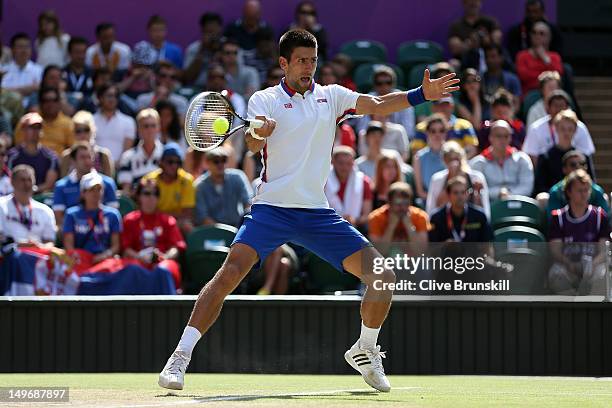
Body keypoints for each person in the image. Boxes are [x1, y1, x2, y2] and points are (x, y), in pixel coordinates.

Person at [158, 28, 459, 393]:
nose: (308, 67)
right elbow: (252, 143)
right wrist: (262, 132)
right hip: (271, 208)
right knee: (229, 274)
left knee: (383, 278)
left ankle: (365, 349)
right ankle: (180, 357)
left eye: (313, 60)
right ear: (283, 63)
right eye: (301, 60)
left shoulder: (332, 97)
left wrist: (419, 95)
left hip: (317, 213)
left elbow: (378, 106)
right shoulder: (263, 100)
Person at [548, 170, 609, 295]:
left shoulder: (599, 216)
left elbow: (604, 250)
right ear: (569, 192)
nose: (584, 194)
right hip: (568, 267)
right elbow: (555, 251)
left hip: (593, 266)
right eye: (580, 190)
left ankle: (595, 310)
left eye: (587, 190)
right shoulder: (558, 217)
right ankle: (570, 311)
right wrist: (569, 264)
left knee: (603, 273)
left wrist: (592, 265)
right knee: (556, 273)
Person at [122, 178, 186, 289]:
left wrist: (165, 256)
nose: (151, 197)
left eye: (155, 194)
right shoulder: (130, 220)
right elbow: (125, 248)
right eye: (147, 193)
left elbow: (176, 247)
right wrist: (139, 257)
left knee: (162, 270)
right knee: (133, 269)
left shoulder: (168, 221)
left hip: (162, 261)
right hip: (137, 261)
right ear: (139, 196)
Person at [52, 142, 119, 228]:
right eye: (82, 157)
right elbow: (59, 219)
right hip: (72, 233)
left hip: (102, 233)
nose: (87, 161)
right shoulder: (61, 186)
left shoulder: (108, 183)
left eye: (89, 157)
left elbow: (112, 216)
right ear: (73, 161)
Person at [63, 171, 122, 265]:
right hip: (80, 260)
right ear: (83, 193)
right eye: (91, 189)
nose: (96, 193)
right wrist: (79, 258)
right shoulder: (72, 215)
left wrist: (106, 255)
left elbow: (116, 246)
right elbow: (69, 245)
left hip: (105, 260)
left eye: (99, 189)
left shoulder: (113, 215)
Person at [522, 90, 594, 164]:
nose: (559, 109)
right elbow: (531, 156)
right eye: (555, 106)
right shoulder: (535, 128)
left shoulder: (580, 128)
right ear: (548, 109)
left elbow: (586, 155)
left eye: (562, 106)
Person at [469, 120, 534, 202]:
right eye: (498, 136)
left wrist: (509, 194)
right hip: (490, 205)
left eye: (506, 136)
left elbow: (527, 187)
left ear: (510, 138)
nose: (502, 140)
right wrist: (498, 193)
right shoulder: (478, 163)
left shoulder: (522, 159)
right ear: (490, 138)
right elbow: (477, 191)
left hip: (519, 203)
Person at [534, 110, 595, 195]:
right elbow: (540, 187)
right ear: (555, 128)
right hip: (554, 198)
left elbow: (592, 183)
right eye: (562, 129)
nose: (566, 133)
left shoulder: (583, 157)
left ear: (575, 130)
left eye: (570, 129)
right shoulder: (545, 157)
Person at [426, 140, 490, 218]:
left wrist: (477, 192)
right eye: (449, 159)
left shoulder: (477, 177)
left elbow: (485, 210)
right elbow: (431, 209)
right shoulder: (437, 179)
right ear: (444, 160)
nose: (454, 163)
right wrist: (451, 179)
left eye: (456, 158)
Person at [142, 143, 195, 233]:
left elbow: (187, 213)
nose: (174, 166)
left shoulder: (187, 180)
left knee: (187, 225)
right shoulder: (150, 180)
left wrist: (166, 219)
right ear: (161, 162)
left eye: (178, 162)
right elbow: (145, 209)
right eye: (170, 162)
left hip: (177, 222)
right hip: (154, 220)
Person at [194, 147, 252, 227]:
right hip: (212, 231)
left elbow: (248, 203)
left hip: (237, 227)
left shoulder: (238, 177)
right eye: (216, 161)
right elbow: (203, 217)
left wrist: (244, 225)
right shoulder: (200, 186)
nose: (220, 164)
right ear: (207, 163)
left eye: (223, 160)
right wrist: (223, 232)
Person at [0, 164, 56, 245]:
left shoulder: (45, 210)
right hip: (10, 252)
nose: (27, 184)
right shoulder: (1, 205)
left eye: (29, 180)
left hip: (38, 254)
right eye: (22, 180)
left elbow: (50, 242)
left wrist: (39, 247)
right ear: (12, 182)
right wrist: (22, 244)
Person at [355, 65, 415, 139]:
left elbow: (409, 131)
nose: (384, 86)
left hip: (397, 139)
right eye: (379, 83)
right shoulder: (365, 100)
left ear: (393, 84)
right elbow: (361, 129)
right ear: (374, 85)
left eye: (388, 82)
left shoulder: (404, 98)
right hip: (372, 139)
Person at [429, 175, 493, 242]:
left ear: (468, 194)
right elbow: (432, 248)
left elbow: (488, 246)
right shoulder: (436, 218)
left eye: (463, 192)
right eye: (455, 193)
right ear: (448, 195)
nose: (460, 196)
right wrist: (444, 246)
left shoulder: (480, 216)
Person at [545, 151, 610, 216]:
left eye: (582, 164)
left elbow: (605, 219)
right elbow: (553, 220)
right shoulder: (556, 192)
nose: (578, 167)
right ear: (564, 169)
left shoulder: (597, 191)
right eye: (573, 164)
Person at [411, 96, 479, 159]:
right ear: (433, 108)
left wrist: (454, 163)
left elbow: (471, 150)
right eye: (439, 105)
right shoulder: (421, 128)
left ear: (452, 107)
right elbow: (416, 153)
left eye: (446, 105)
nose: (443, 108)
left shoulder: (465, 125)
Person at [324, 146, 373, 230]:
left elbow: (366, 215)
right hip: (328, 227)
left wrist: (354, 221)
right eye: (341, 163)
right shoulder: (323, 181)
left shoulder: (364, 182)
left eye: (348, 163)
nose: (345, 167)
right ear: (333, 162)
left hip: (355, 228)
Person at [117, 109, 164, 195]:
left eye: (153, 126)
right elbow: (126, 190)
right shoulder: (127, 157)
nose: (150, 130)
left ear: (159, 128)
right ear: (138, 130)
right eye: (146, 126)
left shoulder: (166, 155)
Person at [15, 87, 74, 156]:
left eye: (54, 100)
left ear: (59, 102)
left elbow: (73, 149)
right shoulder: (28, 121)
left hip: (58, 163)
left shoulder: (68, 123)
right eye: (46, 100)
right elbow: (19, 146)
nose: (50, 104)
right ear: (40, 103)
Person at [8, 112, 58, 192]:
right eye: (32, 127)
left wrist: (31, 190)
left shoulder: (51, 156)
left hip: (41, 198)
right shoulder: (12, 156)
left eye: (39, 127)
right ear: (23, 129)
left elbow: (49, 184)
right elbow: (8, 179)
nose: (36, 130)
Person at [59, 110, 113, 177]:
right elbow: (63, 181)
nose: (83, 134)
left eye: (86, 130)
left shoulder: (103, 155)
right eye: (78, 131)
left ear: (92, 130)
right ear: (73, 133)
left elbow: (109, 183)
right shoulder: (67, 156)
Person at [516, 21, 563, 96]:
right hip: (529, 94)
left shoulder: (555, 56)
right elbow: (524, 77)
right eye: (534, 32)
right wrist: (546, 75)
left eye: (541, 33)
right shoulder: (522, 56)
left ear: (549, 37)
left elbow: (557, 75)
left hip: (552, 94)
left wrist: (545, 59)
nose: (537, 36)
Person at [93, 83, 137, 163]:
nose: (112, 99)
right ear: (100, 98)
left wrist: (115, 166)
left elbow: (127, 152)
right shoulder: (90, 120)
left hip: (120, 169)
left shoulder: (128, 121)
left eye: (115, 96)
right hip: (95, 168)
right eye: (109, 95)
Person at [412, 114, 448, 204]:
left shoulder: (453, 154)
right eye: (433, 131)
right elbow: (420, 192)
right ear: (427, 133)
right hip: (427, 202)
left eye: (441, 130)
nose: (437, 134)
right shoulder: (418, 157)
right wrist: (435, 200)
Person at [183, 12, 224, 88]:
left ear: (220, 29)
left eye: (214, 31)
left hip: (224, 89)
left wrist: (220, 52)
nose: (212, 36)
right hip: (198, 89)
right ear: (203, 30)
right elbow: (187, 78)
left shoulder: (229, 48)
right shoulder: (194, 49)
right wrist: (202, 50)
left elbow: (235, 75)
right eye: (209, 32)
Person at [1, 33, 43, 98]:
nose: (24, 50)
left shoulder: (39, 70)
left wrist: (12, 90)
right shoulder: (3, 70)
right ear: (12, 50)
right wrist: (29, 89)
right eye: (20, 47)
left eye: (27, 47)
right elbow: (1, 92)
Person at [63, 37, 94, 102]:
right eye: (77, 52)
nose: (81, 56)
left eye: (83, 52)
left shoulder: (93, 73)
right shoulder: (61, 73)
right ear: (69, 53)